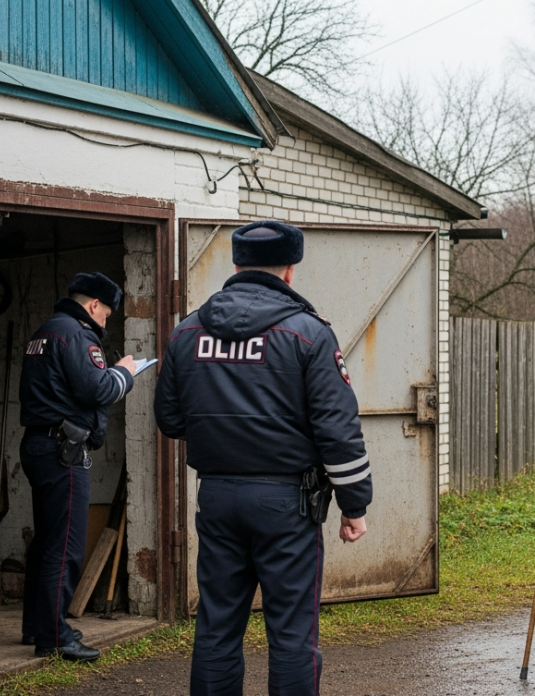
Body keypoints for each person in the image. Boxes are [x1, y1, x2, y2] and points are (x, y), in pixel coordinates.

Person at [154, 220, 372, 696]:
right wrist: (354, 505)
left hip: (216, 499)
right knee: (293, 637)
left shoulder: (186, 332)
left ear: (235, 265)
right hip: (286, 505)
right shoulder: (309, 335)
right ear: (290, 271)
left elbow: (169, 420)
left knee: (215, 630)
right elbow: (338, 432)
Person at [17, 272, 138, 662]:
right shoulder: (78, 334)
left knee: (45, 541)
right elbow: (97, 389)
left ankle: (37, 624)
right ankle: (54, 636)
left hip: (38, 445)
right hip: (63, 451)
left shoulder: (46, 330)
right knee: (65, 546)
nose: (107, 322)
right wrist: (125, 373)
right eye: (107, 314)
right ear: (93, 306)